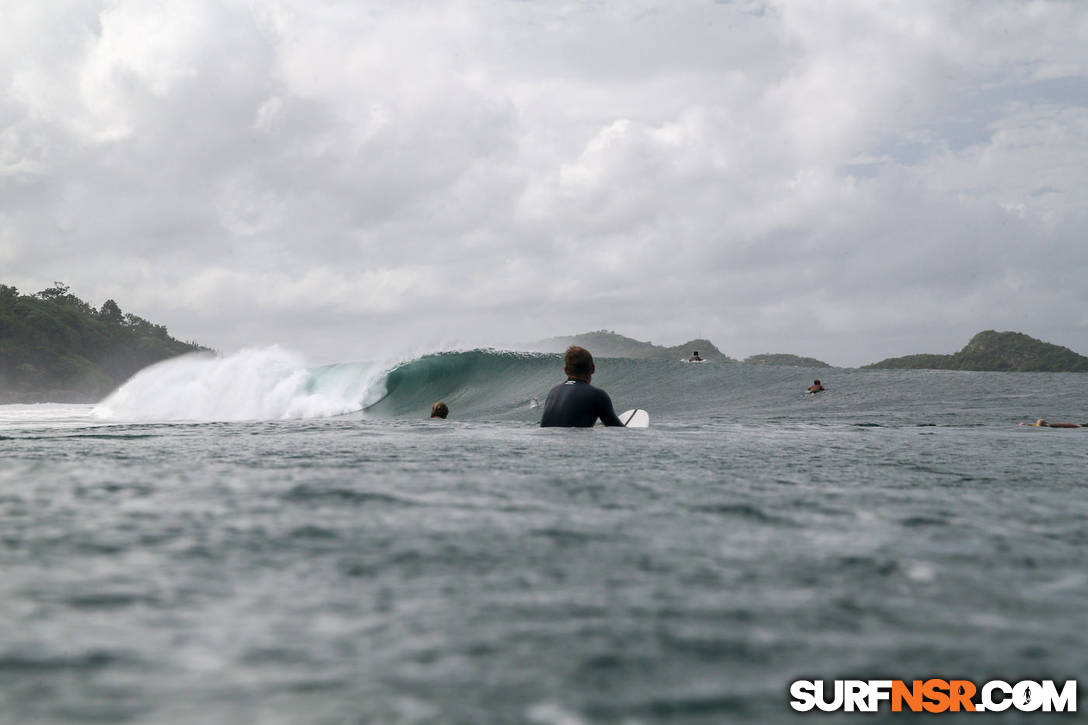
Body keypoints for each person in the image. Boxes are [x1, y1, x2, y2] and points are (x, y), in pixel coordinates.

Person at [540, 346, 624, 427]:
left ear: (565, 370)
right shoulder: (597, 394)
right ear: (593, 369)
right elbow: (618, 430)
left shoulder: (553, 392)